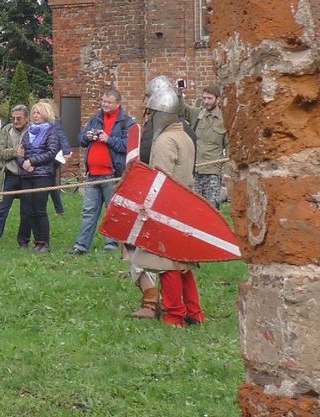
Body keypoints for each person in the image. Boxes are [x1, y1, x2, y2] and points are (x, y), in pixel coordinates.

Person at [128, 80, 204, 327]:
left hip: (167, 207)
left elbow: (160, 179)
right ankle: (194, 312)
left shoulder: (164, 141)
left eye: (152, 112)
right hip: (184, 204)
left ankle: (175, 315)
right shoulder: (184, 135)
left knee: (168, 264)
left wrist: (148, 208)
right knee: (183, 264)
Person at [69, 89, 134, 255]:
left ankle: (111, 245)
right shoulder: (95, 119)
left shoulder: (126, 122)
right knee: (88, 211)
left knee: (111, 211)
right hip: (93, 174)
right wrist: (88, 137)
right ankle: (81, 246)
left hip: (112, 175)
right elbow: (80, 139)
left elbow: (128, 146)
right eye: (103, 101)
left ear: (118, 104)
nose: (105, 105)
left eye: (109, 102)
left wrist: (108, 139)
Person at [15, 102, 62, 253]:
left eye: (38, 113)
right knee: (29, 209)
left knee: (39, 209)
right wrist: (23, 163)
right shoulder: (28, 132)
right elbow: (20, 153)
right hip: (27, 175)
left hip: (43, 174)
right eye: (34, 113)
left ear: (46, 115)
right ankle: (37, 242)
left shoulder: (51, 132)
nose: (35, 116)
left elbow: (52, 152)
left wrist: (33, 161)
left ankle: (45, 243)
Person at [0, 105, 29, 248]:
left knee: (26, 211)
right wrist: (15, 152)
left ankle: (23, 241)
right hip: (10, 175)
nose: (16, 121)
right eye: (14, 118)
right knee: (2, 209)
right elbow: (0, 152)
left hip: (27, 176)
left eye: (19, 118)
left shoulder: (33, 130)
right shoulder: (6, 130)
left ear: (27, 118)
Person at [183, 85, 228, 208]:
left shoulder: (224, 119)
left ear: (218, 99)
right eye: (204, 98)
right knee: (195, 207)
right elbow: (181, 108)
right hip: (196, 170)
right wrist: (177, 92)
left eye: (209, 98)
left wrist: (228, 170)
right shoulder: (197, 114)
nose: (206, 102)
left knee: (212, 208)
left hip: (213, 171)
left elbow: (229, 147)